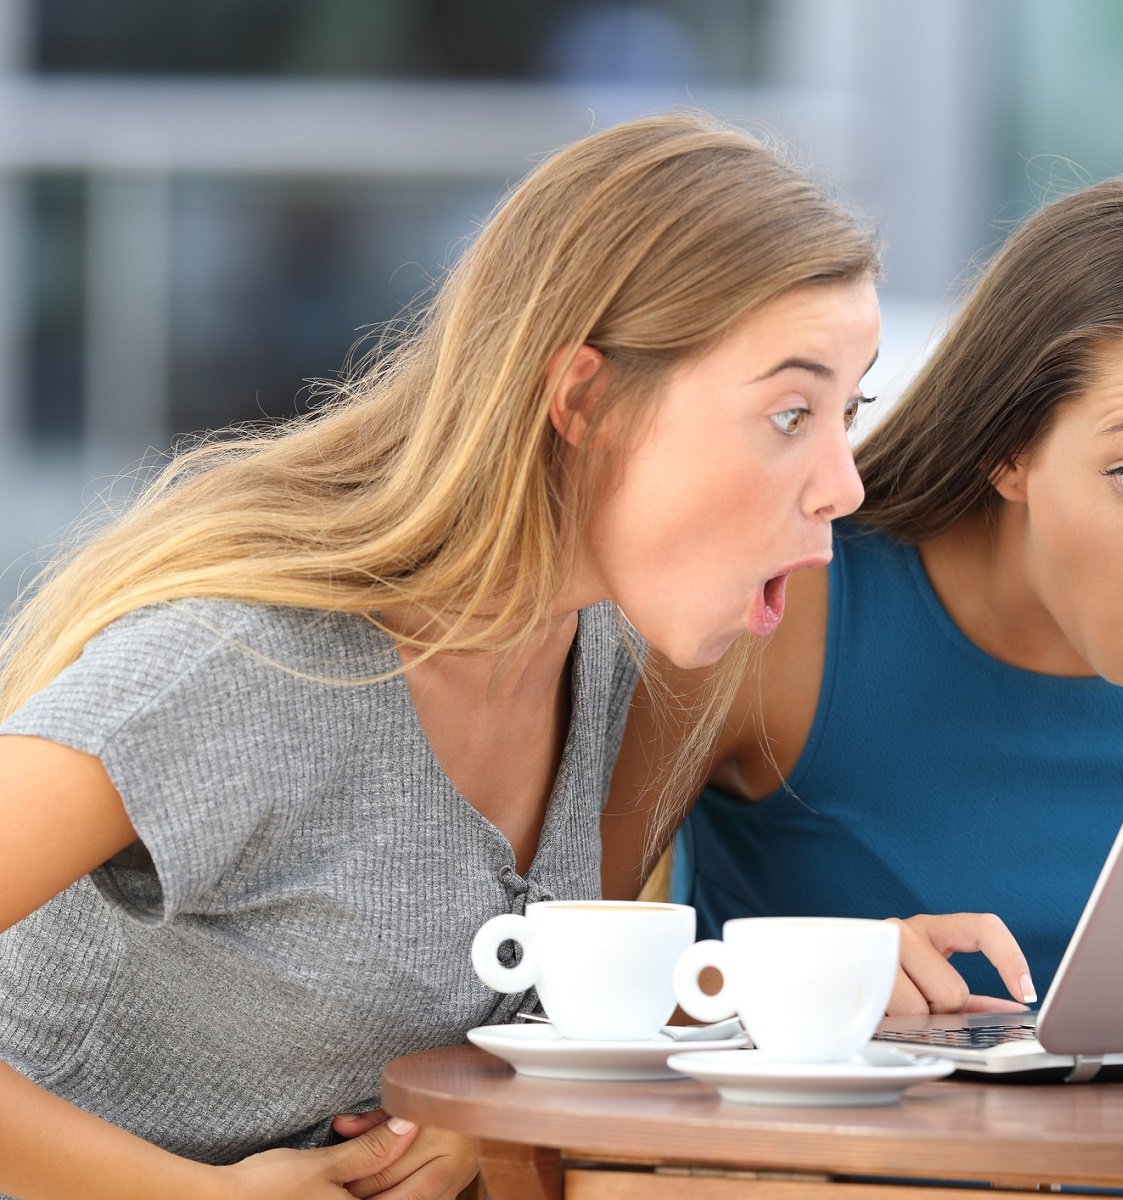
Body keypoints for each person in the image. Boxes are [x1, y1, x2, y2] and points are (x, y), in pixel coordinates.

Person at [0, 112, 880, 1200]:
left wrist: (829, 992)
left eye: (853, 407)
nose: (845, 482)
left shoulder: (609, 655)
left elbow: (552, 1017)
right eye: (792, 411)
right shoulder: (247, 666)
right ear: (585, 400)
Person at [602, 176, 1123, 1016]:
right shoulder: (782, 611)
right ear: (1009, 452)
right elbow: (553, 988)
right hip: (861, 1149)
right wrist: (808, 984)